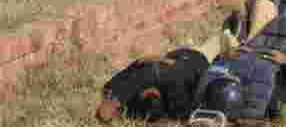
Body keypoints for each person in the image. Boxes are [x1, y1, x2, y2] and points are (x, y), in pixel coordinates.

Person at [94, 14, 243, 123]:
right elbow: (147, 69)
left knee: (215, 46)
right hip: (196, 62)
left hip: (185, 62)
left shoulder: (146, 84)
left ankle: (231, 37)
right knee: (220, 46)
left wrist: (113, 97)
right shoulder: (170, 85)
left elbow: (139, 67)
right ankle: (233, 37)